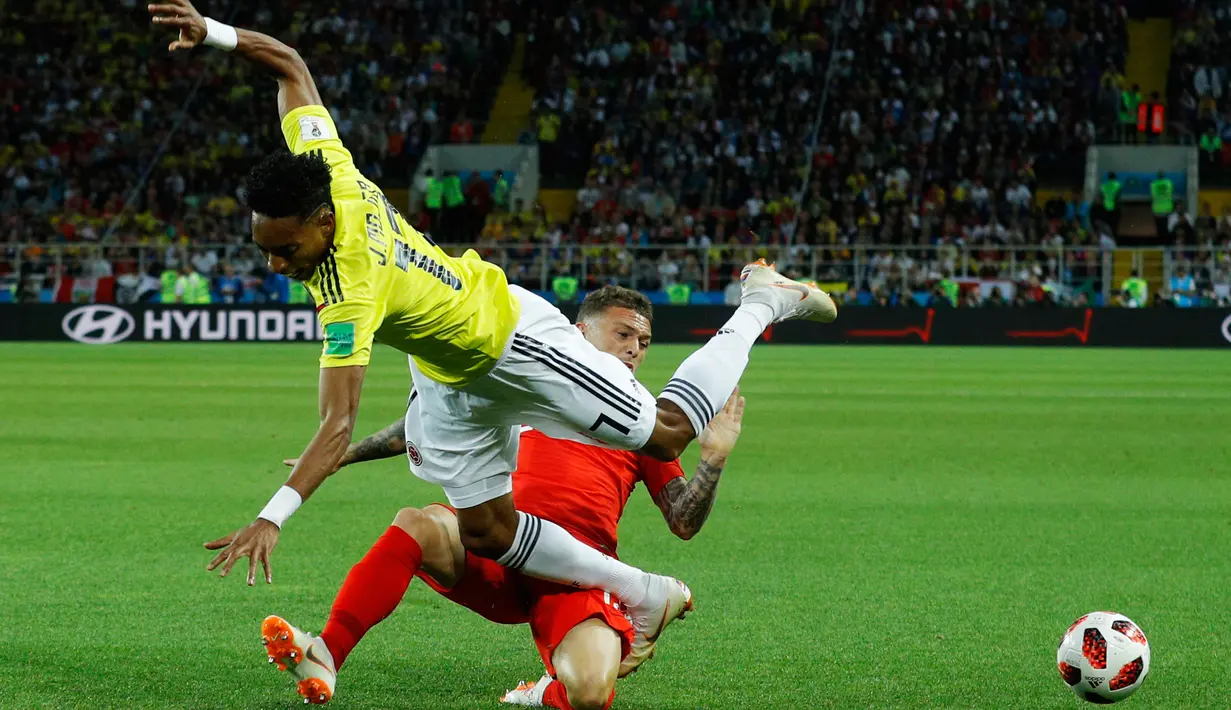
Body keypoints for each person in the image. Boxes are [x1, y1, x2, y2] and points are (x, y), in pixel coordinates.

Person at [151, 0, 835, 681]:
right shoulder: (323, 162)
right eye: (264, 249)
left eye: (286, 248)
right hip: (446, 374)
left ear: (323, 222)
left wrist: (271, 518)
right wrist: (213, 33)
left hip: (508, 338)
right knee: (485, 531)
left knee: (664, 435)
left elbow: (335, 426)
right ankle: (644, 590)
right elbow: (289, 64)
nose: (276, 264)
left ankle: (759, 301)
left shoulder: (350, 290)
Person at [264, 287, 744, 706]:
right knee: (418, 521)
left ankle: (539, 693)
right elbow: (416, 427)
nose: (635, 349)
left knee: (592, 694)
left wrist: (714, 457)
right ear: (580, 333)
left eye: (643, 341)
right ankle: (325, 653)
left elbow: (683, 520)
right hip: (492, 545)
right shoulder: (529, 381)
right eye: (622, 335)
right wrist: (344, 454)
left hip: (574, 572)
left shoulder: (641, 423)